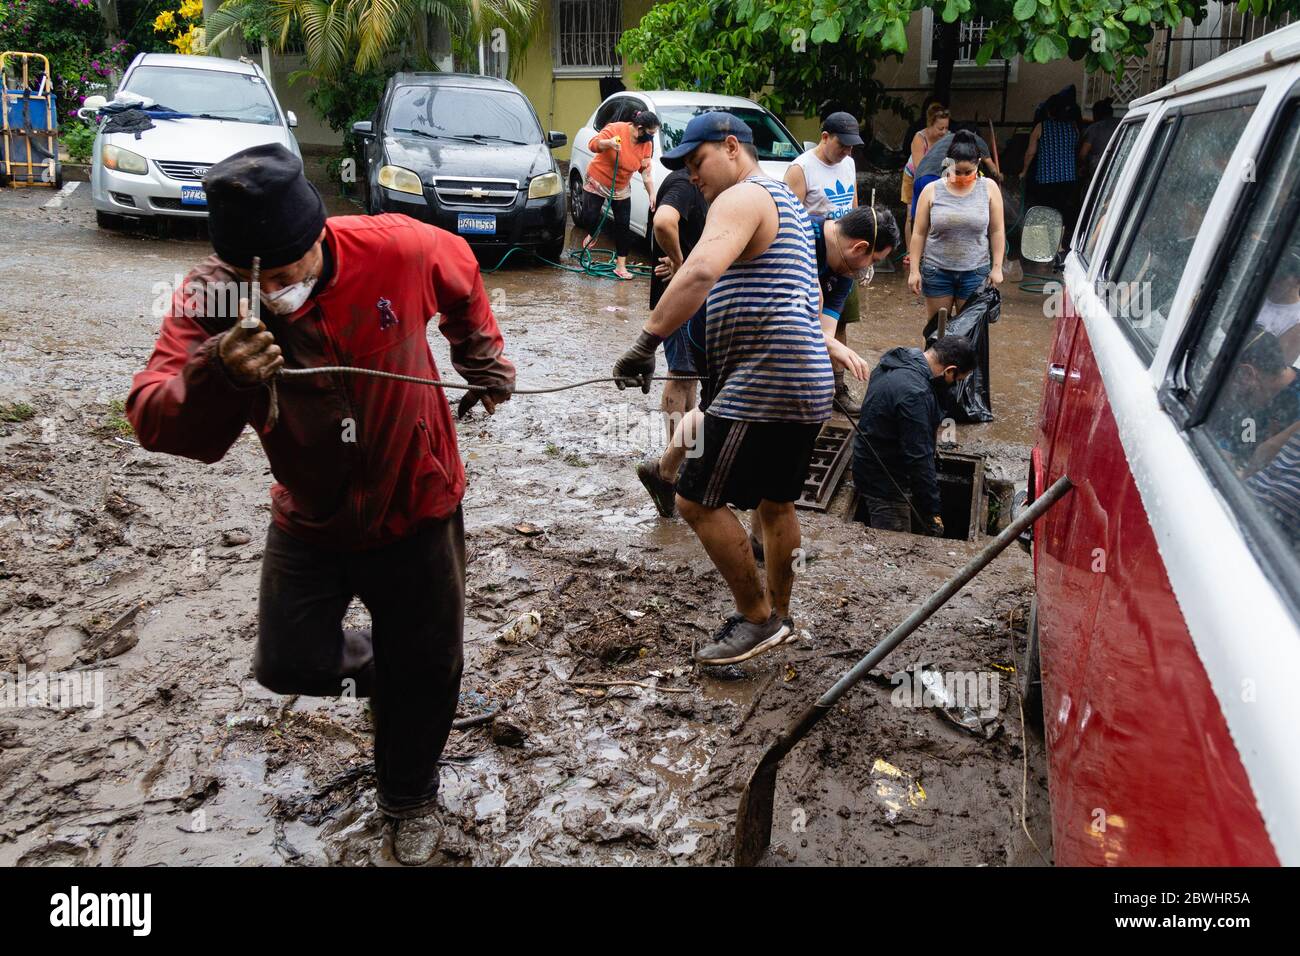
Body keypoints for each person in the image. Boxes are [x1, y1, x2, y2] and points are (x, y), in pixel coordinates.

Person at [125, 144, 516, 866]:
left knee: (430, 663)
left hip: (417, 498)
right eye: (259, 279)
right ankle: (390, 677)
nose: (277, 290)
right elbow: (152, 416)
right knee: (290, 661)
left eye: (289, 270)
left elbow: (461, 270)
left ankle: (408, 791)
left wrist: (480, 354)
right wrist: (215, 370)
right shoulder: (214, 299)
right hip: (312, 513)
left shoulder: (394, 247)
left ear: (320, 235)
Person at [611, 112, 833, 665]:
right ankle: (779, 616)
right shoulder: (786, 203)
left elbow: (701, 270)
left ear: (732, 147)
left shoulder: (742, 197)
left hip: (765, 380)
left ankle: (755, 618)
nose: (692, 176)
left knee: (693, 496)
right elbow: (796, 297)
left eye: (697, 162)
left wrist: (646, 342)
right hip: (803, 381)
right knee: (775, 504)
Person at [636, 204, 899, 522]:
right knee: (720, 410)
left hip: (766, 339)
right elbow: (772, 304)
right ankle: (674, 476)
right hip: (721, 327)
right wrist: (829, 345)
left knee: (746, 415)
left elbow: (819, 331)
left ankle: (665, 471)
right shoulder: (794, 236)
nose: (866, 269)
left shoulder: (843, 272)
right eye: (872, 261)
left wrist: (829, 347)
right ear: (860, 248)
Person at [636, 167, 710, 515]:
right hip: (679, 298)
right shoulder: (683, 182)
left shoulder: (707, 187)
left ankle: (685, 458)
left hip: (695, 297)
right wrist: (681, 264)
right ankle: (671, 463)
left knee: (691, 379)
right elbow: (664, 222)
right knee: (680, 376)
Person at [851, 335, 977, 534]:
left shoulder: (897, 360)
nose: (954, 387)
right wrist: (932, 512)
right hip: (885, 482)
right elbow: (919, 458)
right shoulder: (915, 395)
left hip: (868, 458)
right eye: (957, 381)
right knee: (894, 546)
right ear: (949, 370)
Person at [786, 110, 864, 412]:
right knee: (805, 323)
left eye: (851, 146)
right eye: (842, 145)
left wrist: (861, 258)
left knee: (840, 321)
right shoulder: (801, 169)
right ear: (824, 137)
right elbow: (789, 222)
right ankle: (804, 385)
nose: (846, 151)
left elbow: (854, 207)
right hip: (813, 259)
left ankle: (837, 388)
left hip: (846, 258)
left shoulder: (849, 163)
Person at [909, 130, 1006, 320]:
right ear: (948, 165)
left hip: (975, 272)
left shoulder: (989, 188)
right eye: (957, 172)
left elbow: (997, 230)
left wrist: (997, 267)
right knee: (937, 333)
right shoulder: (931, 190)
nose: (962, 177)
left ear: (978, 164)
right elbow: (919, 233)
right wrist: (914, 271)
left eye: (968, 172)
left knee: (969, 335)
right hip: (937, 272)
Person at [575, 109, 660, 279]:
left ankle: (620, 267)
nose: (651, 137)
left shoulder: (646, 145)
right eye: (650, 133)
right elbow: (592, 144)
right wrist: (609, 143)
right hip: (598, 179)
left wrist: (652, 193)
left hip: (620, 186)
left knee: (623, 226)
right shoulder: (616, 129)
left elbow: (645, 171)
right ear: (640, 128)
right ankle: (594, 233)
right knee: (589, 217)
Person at [1022, 93, 1081, 252]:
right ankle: (1059, 246)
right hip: (1068, 177)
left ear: (1049, 111)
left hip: (1047, 177)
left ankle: (1045, 247)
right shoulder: (1073, 126)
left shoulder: (1041, 127)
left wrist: (1024, 171)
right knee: (1062, 210)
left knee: (1046, 211)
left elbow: (1030, 152)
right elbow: (1076, 147)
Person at [910, 127, 1001, 227]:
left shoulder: (947, 140)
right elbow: (992, 168)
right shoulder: (976, 142)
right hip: (936, 178)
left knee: (918, 225)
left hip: (919, 177)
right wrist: (999, 175)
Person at [902, 103, 950, 249]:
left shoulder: (948, 138)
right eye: (940, 128)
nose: (944, 132)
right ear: (930, 124)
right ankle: (911, 251)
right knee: (912, 215)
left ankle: (929, 251)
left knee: (933, 216)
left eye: (946, 128)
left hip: (937, 179)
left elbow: (951, 161)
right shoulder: (919, 138)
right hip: (915, 178)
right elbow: (920, 168)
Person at [1077, 98, 1119, 185]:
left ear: (1096, 114)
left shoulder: (1094, 128)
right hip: (1119, 166)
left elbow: (1083, 154)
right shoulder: (1122, 124)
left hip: (1097, 171)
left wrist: (1083, 167)